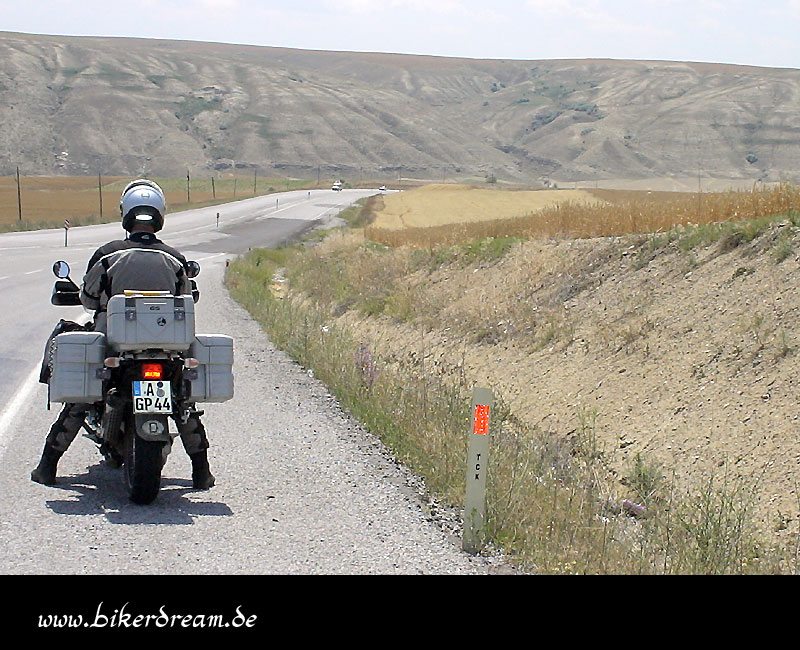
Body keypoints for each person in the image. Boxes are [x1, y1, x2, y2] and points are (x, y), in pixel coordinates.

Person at [31, 179, 215, 490]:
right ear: (159, 215)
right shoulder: (174, 258)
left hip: (113, 342)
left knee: (82, 397)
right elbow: (187, 298)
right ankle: (201, 472)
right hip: (166, 346)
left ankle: (47, 466)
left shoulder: (107, 254)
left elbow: (88, 299)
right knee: (183, 402)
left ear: (126, 214)